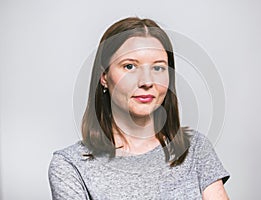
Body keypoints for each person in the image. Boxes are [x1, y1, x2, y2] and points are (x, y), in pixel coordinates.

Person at [48, 17, 230, 200]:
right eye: (129, 66)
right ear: (104, 77)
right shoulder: (71, 165)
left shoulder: (196, 149)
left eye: (158, 68)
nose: (146, 82)